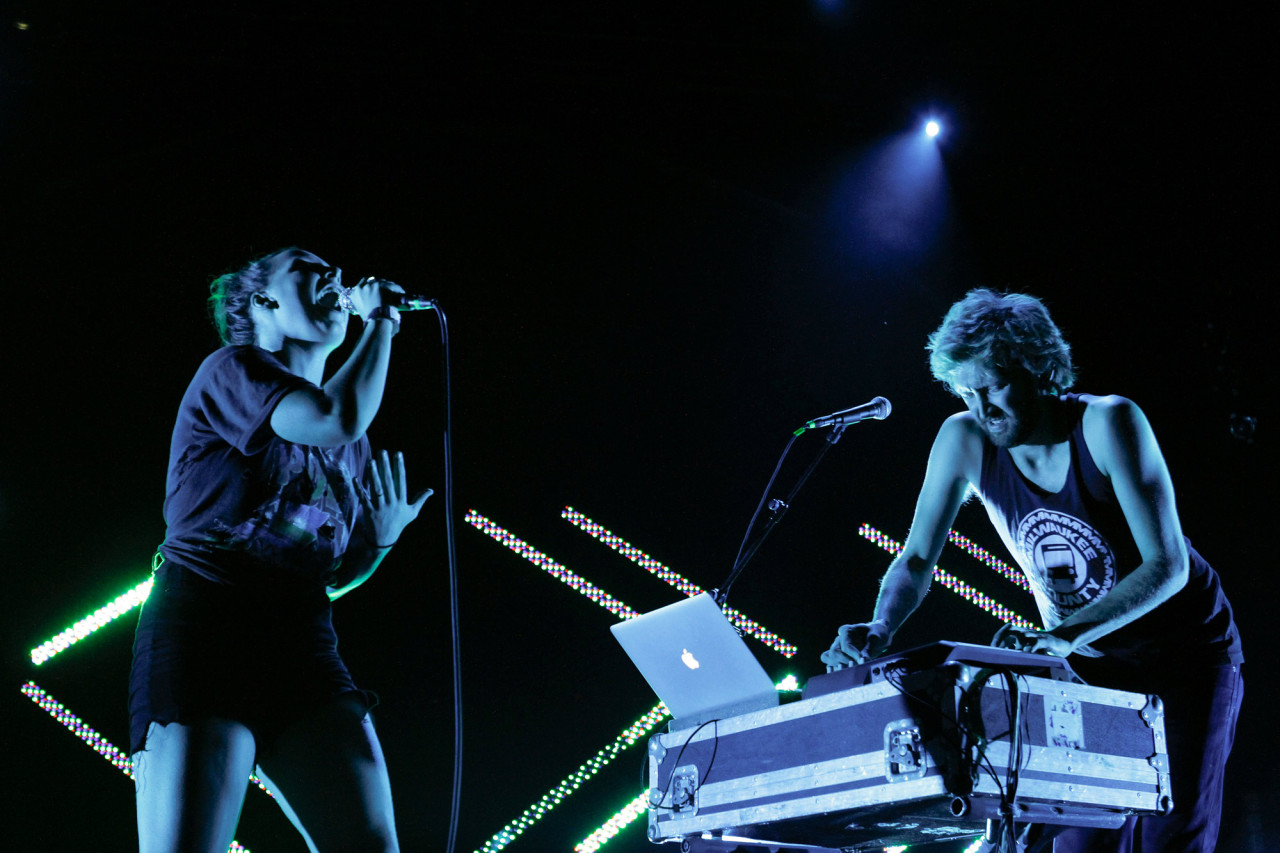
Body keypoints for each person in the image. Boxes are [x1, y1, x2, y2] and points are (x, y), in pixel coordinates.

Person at [821, 289, 1242, 852]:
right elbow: (917, 557)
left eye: (993, 386)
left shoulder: (1108, 422)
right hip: (1087, 661)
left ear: (1040, 367)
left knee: (1170, 838)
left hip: (1186, 657)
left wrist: (1060, 637)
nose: (980, 407)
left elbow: (1167, 567)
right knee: (1076, 839)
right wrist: (882, 627)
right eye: (965, 391)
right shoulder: (963, 438)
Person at [128, 247, 431, 853]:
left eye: (333, 270)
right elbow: (334, 416)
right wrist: (383, 322)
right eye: (308, 267)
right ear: (263, 300)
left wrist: (380, 541)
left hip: (302, 647)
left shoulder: (352, 444)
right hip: (206, 629)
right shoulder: (232, 369)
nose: (335, 277)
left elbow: (328, 577)